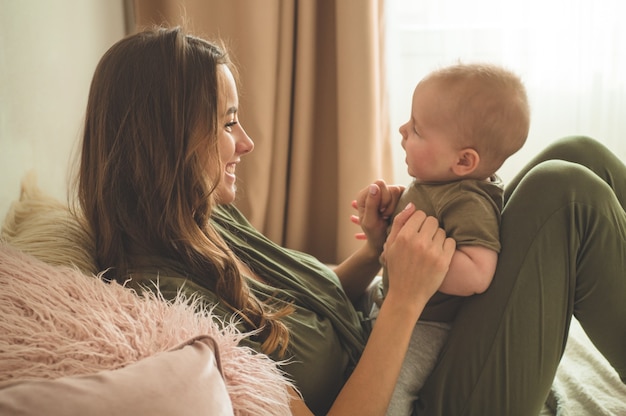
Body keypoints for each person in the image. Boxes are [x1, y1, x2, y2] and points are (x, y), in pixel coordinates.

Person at [75, 26, 625, 416]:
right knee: (565, 195)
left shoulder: (207, 219)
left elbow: (298, 311)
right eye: (228, 123)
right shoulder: (166, 305)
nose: (246, 143)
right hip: (423, 396)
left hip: (417, 345)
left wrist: (374, 251)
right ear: (164, 141)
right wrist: (406, 298)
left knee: (578, 153)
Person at [361, 63, 530, 415]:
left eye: (417, 130)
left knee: (391, 391)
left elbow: (479, 271)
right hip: (401, 305)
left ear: (464, 161)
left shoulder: (468, 201)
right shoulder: (439, 183)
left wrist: (411, 265)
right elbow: (429, 227)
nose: (402, 129)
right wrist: (395, 215)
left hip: (428, 326)